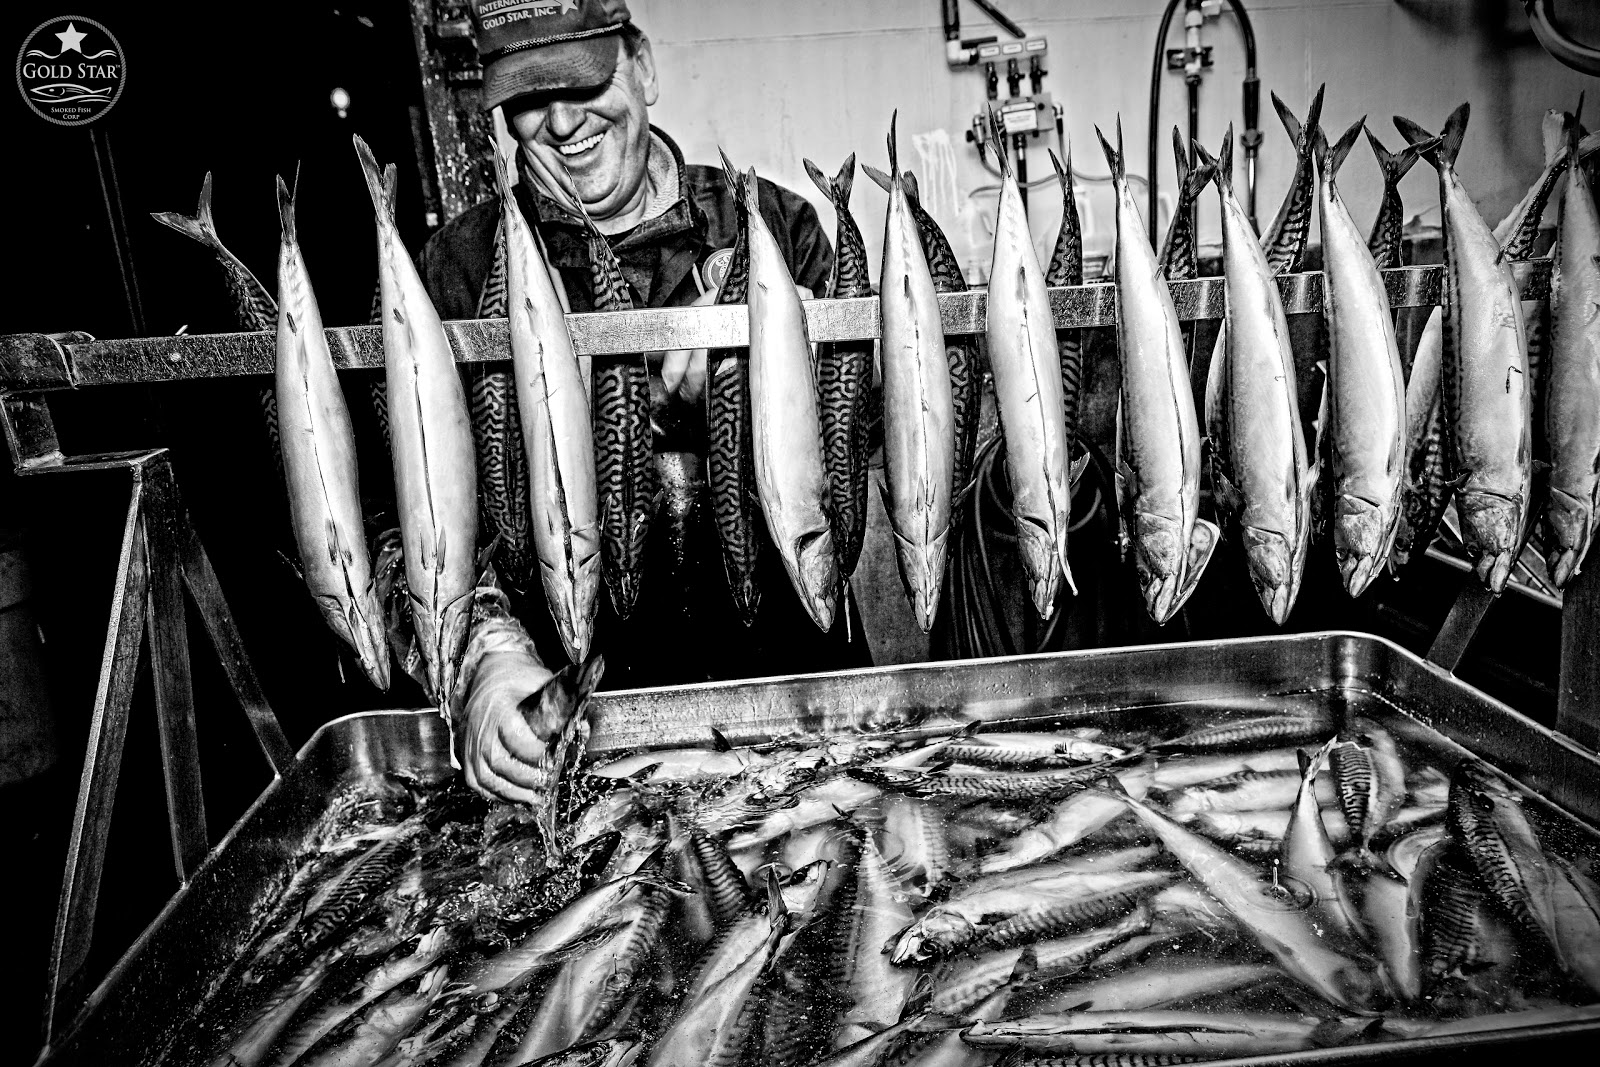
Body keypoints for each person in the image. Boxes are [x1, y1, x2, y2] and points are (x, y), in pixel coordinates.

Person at [427, 0, 873, 797]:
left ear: (645, 68)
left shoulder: (776, 222)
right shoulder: (455, 271)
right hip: (580, 751)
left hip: (798, 722)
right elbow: (409, 519)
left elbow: (862, 445)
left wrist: (774, 388)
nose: (563, 122)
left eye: (582, 81)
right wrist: (480, 651)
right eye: (529, 98)